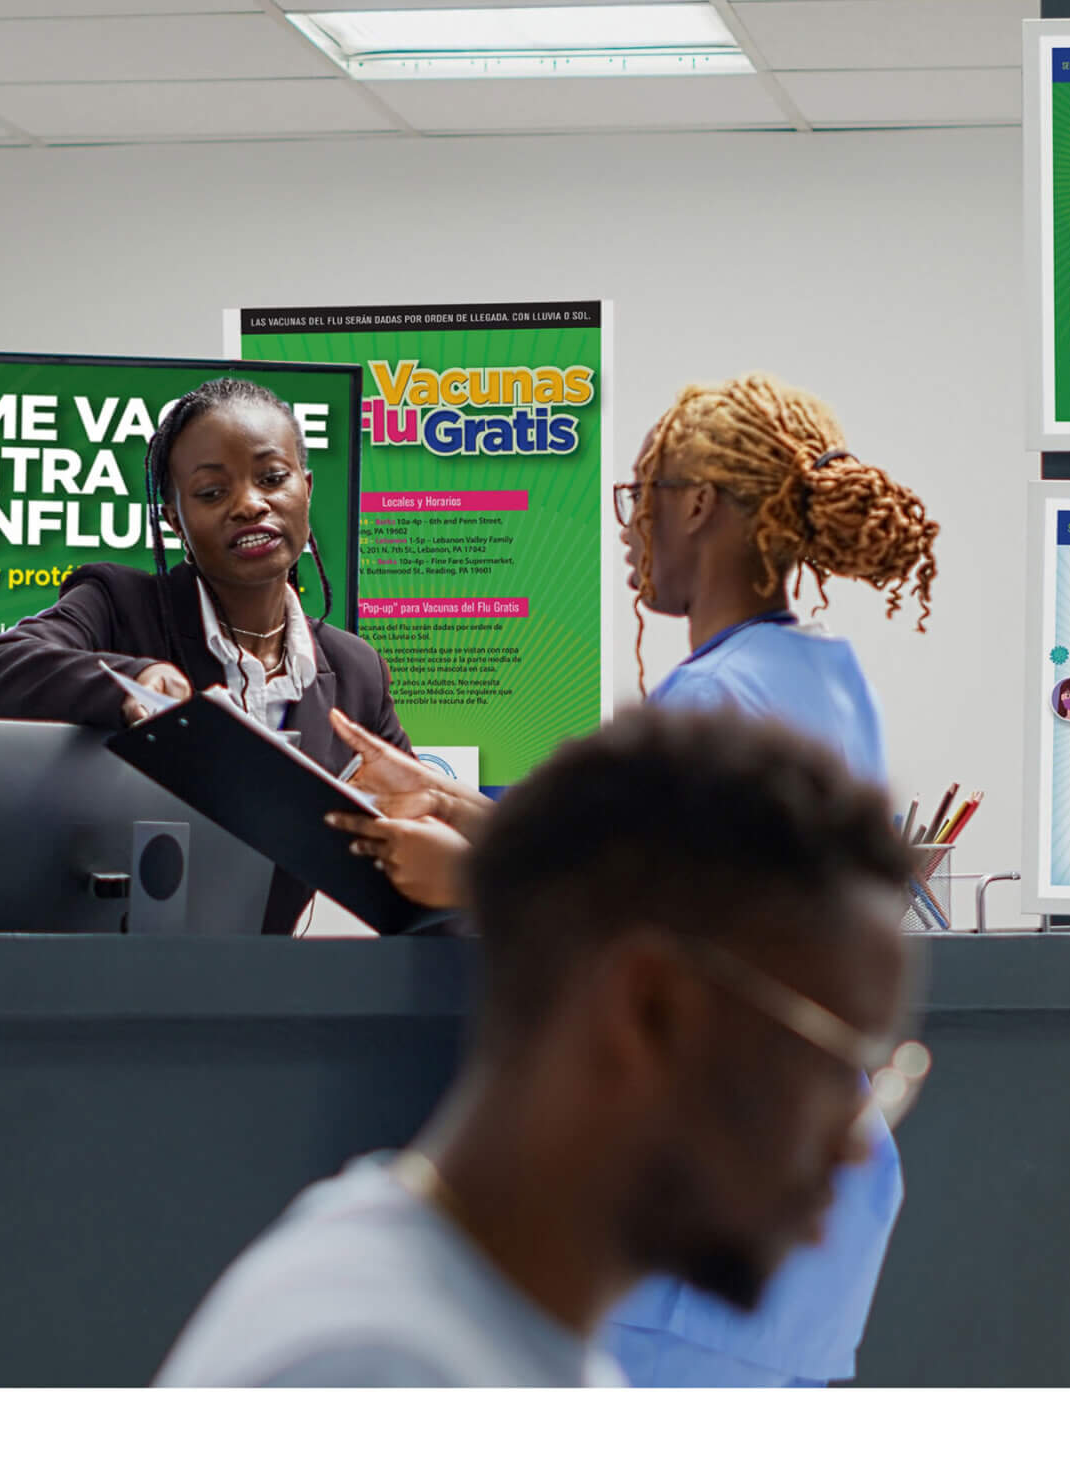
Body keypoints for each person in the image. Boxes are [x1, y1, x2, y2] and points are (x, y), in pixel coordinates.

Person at [326, 372, 939, 1387]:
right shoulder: (818, 677)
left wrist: (468, 874)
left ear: (696, 504)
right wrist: (457, 806)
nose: (630, 530)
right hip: (807, 1215)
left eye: (639, 497)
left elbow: (670, 935)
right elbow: (702, 873)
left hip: (705, 1216)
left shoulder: (711, 695)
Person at [156, 706, 923, 1386]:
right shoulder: (377, 1373)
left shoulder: (483, 1337)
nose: (858, 1151)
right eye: (827, 1064)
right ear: (647, 1010)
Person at [0, 376, 408, 933]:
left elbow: (414, 837)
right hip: (105, 975)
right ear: (174, 519)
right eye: (211, 492)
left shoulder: (354, 669)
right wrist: (136, 681)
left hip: (262, 986)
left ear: (307, 488)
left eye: (273, 478)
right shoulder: (120, 605)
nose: (250, 505)